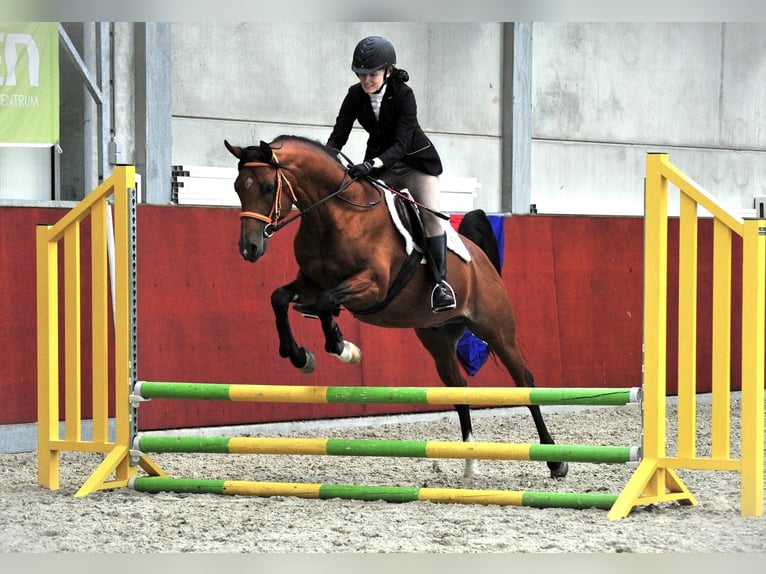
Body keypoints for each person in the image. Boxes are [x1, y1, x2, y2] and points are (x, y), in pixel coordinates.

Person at [326, 35, 457, 313]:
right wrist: (325, 160)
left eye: (372, 74)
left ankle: (440, 285)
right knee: (354, 205)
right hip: (380, 165)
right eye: (361, 75)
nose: (366, 81)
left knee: (432, 215)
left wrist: (370, 165)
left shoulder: (404, 95)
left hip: (414, 166)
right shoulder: (354, 95)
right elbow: (339, 135)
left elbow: (401, 145)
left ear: (388, 70)